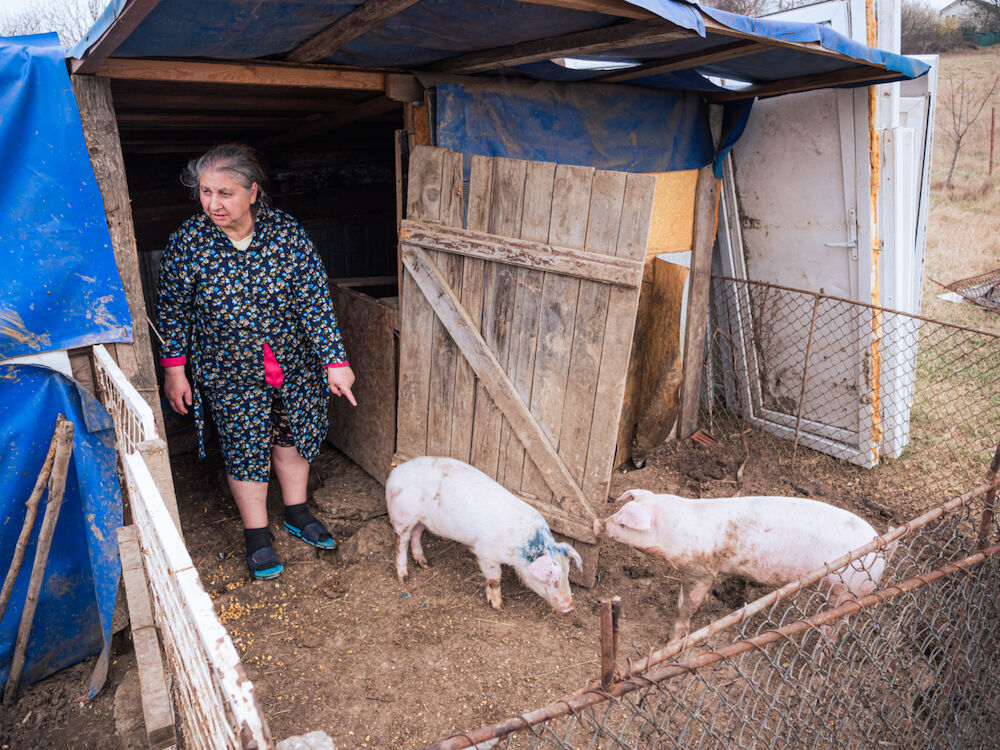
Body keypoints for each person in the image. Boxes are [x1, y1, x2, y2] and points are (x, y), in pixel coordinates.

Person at [156, 143, 357, 581]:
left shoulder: (286, 233)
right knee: (244, 446)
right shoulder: (189, 242)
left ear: (252, 192)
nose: (213, 203)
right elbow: (173, 311)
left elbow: (314, 300)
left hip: (294, 363)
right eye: (205, 192)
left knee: (292, 434)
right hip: (228, 369)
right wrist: (175, 370)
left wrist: (334, 361)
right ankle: (256, 536)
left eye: (224, 192)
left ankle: (297, 511)